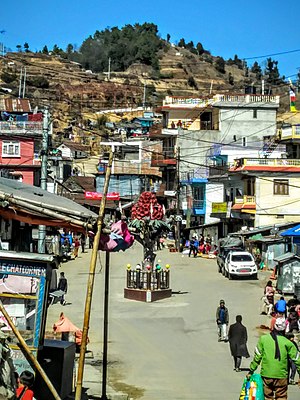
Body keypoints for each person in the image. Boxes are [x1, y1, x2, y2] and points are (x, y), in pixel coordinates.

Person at [248, 317, 300, 399]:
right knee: (281, 396)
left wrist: (251, 370)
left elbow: (257, 357)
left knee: (267, 396)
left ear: (274, 327)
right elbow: (297, 360)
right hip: (281, 376)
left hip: (266, 375)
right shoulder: (288, 343)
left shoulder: (263, 340)